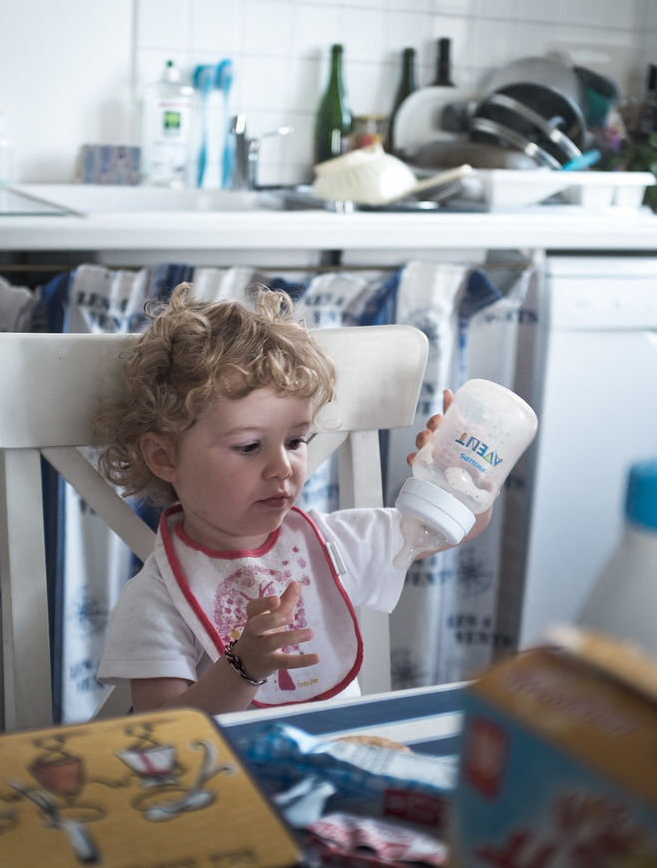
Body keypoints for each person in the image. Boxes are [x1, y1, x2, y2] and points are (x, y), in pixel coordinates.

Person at [93, 283, 489, 714]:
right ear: (164, 457)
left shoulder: (335, 543)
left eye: (296, 440)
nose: (283, 467)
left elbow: (457, 527)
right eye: (248, 446)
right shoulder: (156, 599)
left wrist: (461, 477)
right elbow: (165, 733)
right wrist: (242, 670)